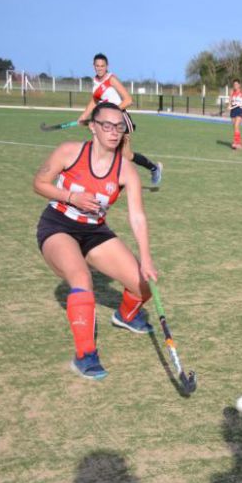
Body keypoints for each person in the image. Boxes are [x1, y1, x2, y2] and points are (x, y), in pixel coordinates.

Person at [35, 102, 158, 379]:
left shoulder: (126, 170)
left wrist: (146, 258)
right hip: (58, 226)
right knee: (82, 279)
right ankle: (85, 356)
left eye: (119, 126)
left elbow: (137, 216)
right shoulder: (69, 152)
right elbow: (39, 183)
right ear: (93, 127)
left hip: (95, 232)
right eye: (107, 125)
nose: (114, 132)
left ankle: (126, 316)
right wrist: (71, 197)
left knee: (143, 285)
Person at [78, 53, 163, 186]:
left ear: (107, 66)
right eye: (97, 66)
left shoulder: (111, 79)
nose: (100, 68)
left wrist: (111, 112)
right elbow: (95, 100)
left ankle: (154, 168)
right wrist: (84, 115)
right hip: (107, 121)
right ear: (93, 66)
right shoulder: (95, 82)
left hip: (120, 120)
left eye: (102, 66)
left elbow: (128, 100)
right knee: (102, 148)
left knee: (126, 155)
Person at [228, 79, 242, 150]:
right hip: (233, 110)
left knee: (236, 125)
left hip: (240, 110)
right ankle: (239, 143)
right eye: (234, 85)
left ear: (239, 85)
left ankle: (235, 143)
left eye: (236, 84)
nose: (235, 86)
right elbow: (230, 100)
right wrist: (229, 106)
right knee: (235, 128)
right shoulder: (232, 92)